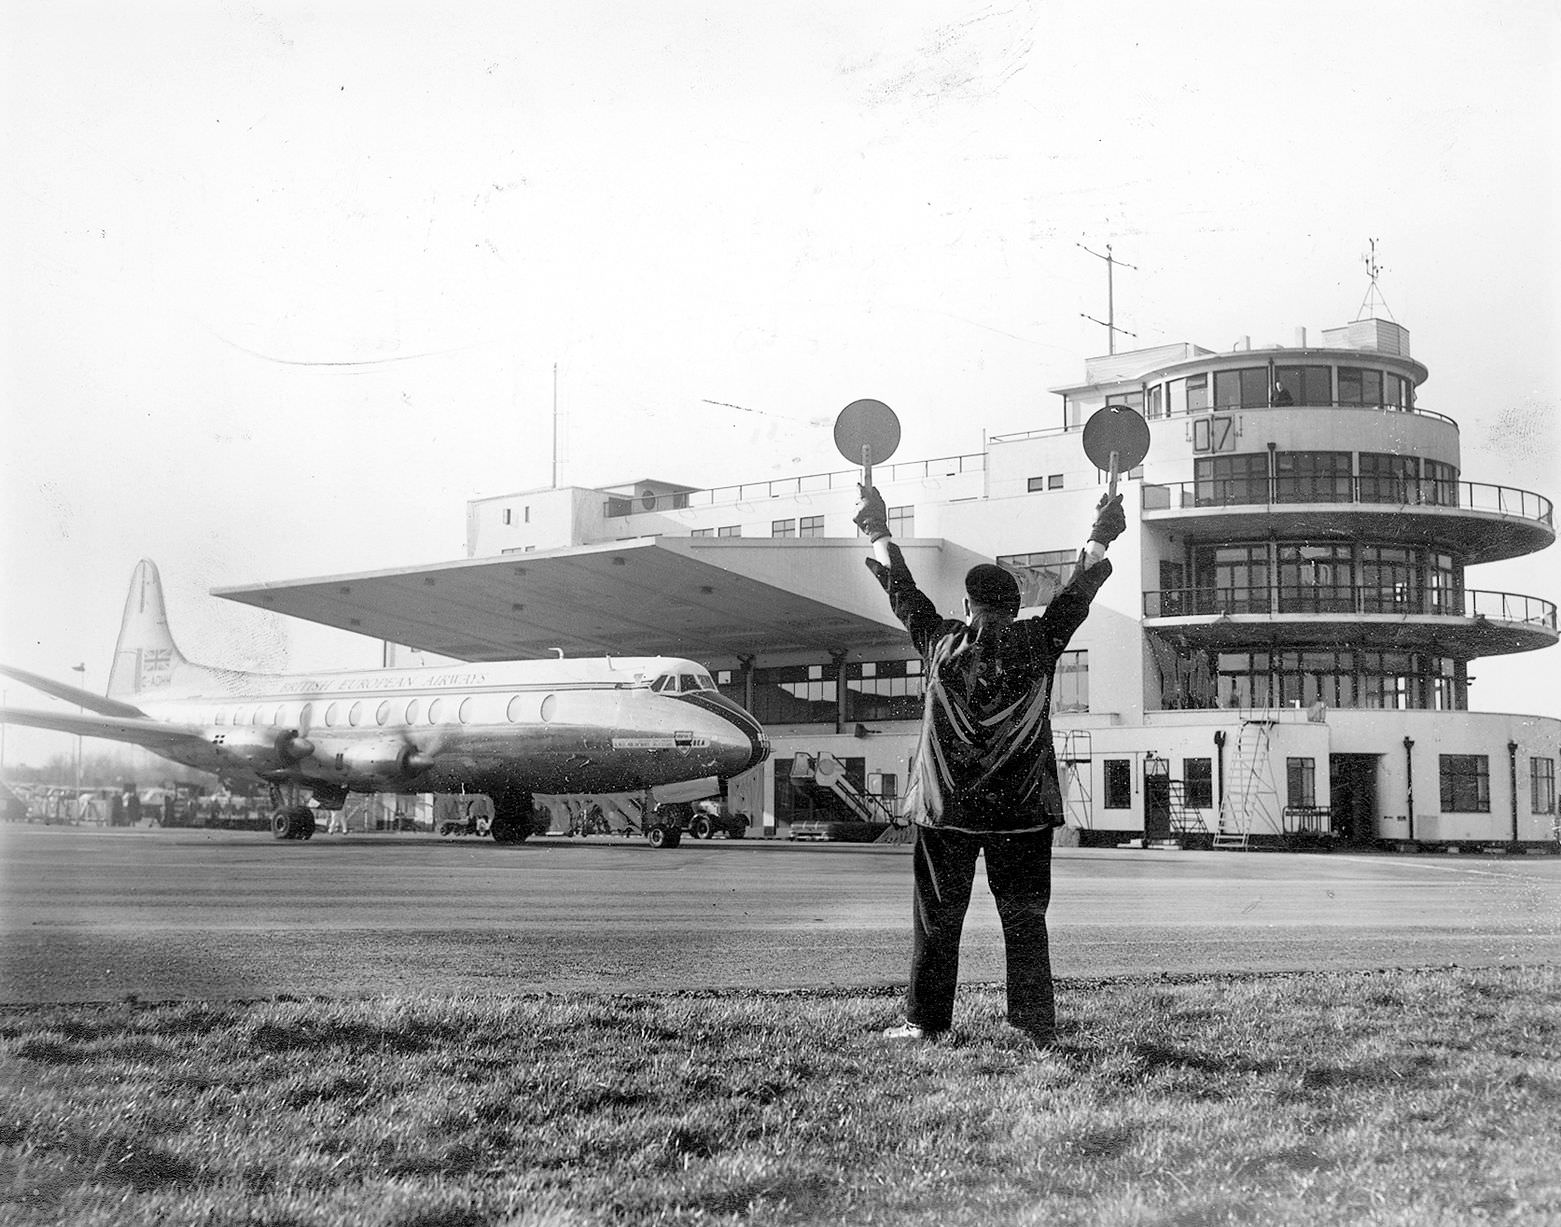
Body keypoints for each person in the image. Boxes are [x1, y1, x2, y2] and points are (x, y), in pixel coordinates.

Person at [854, 482, 1125, 1047]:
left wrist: (878, 527)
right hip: (1022, 812)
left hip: (946, 810)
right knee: (1025, 921)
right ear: (1015, 606)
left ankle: (925, 1023)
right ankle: (1033, 1023)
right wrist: (1100, 532)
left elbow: (901, 589)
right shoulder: (1041, 641)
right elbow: (1078, 591)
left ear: (967, 606)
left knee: (938, 920)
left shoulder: (939, 642)